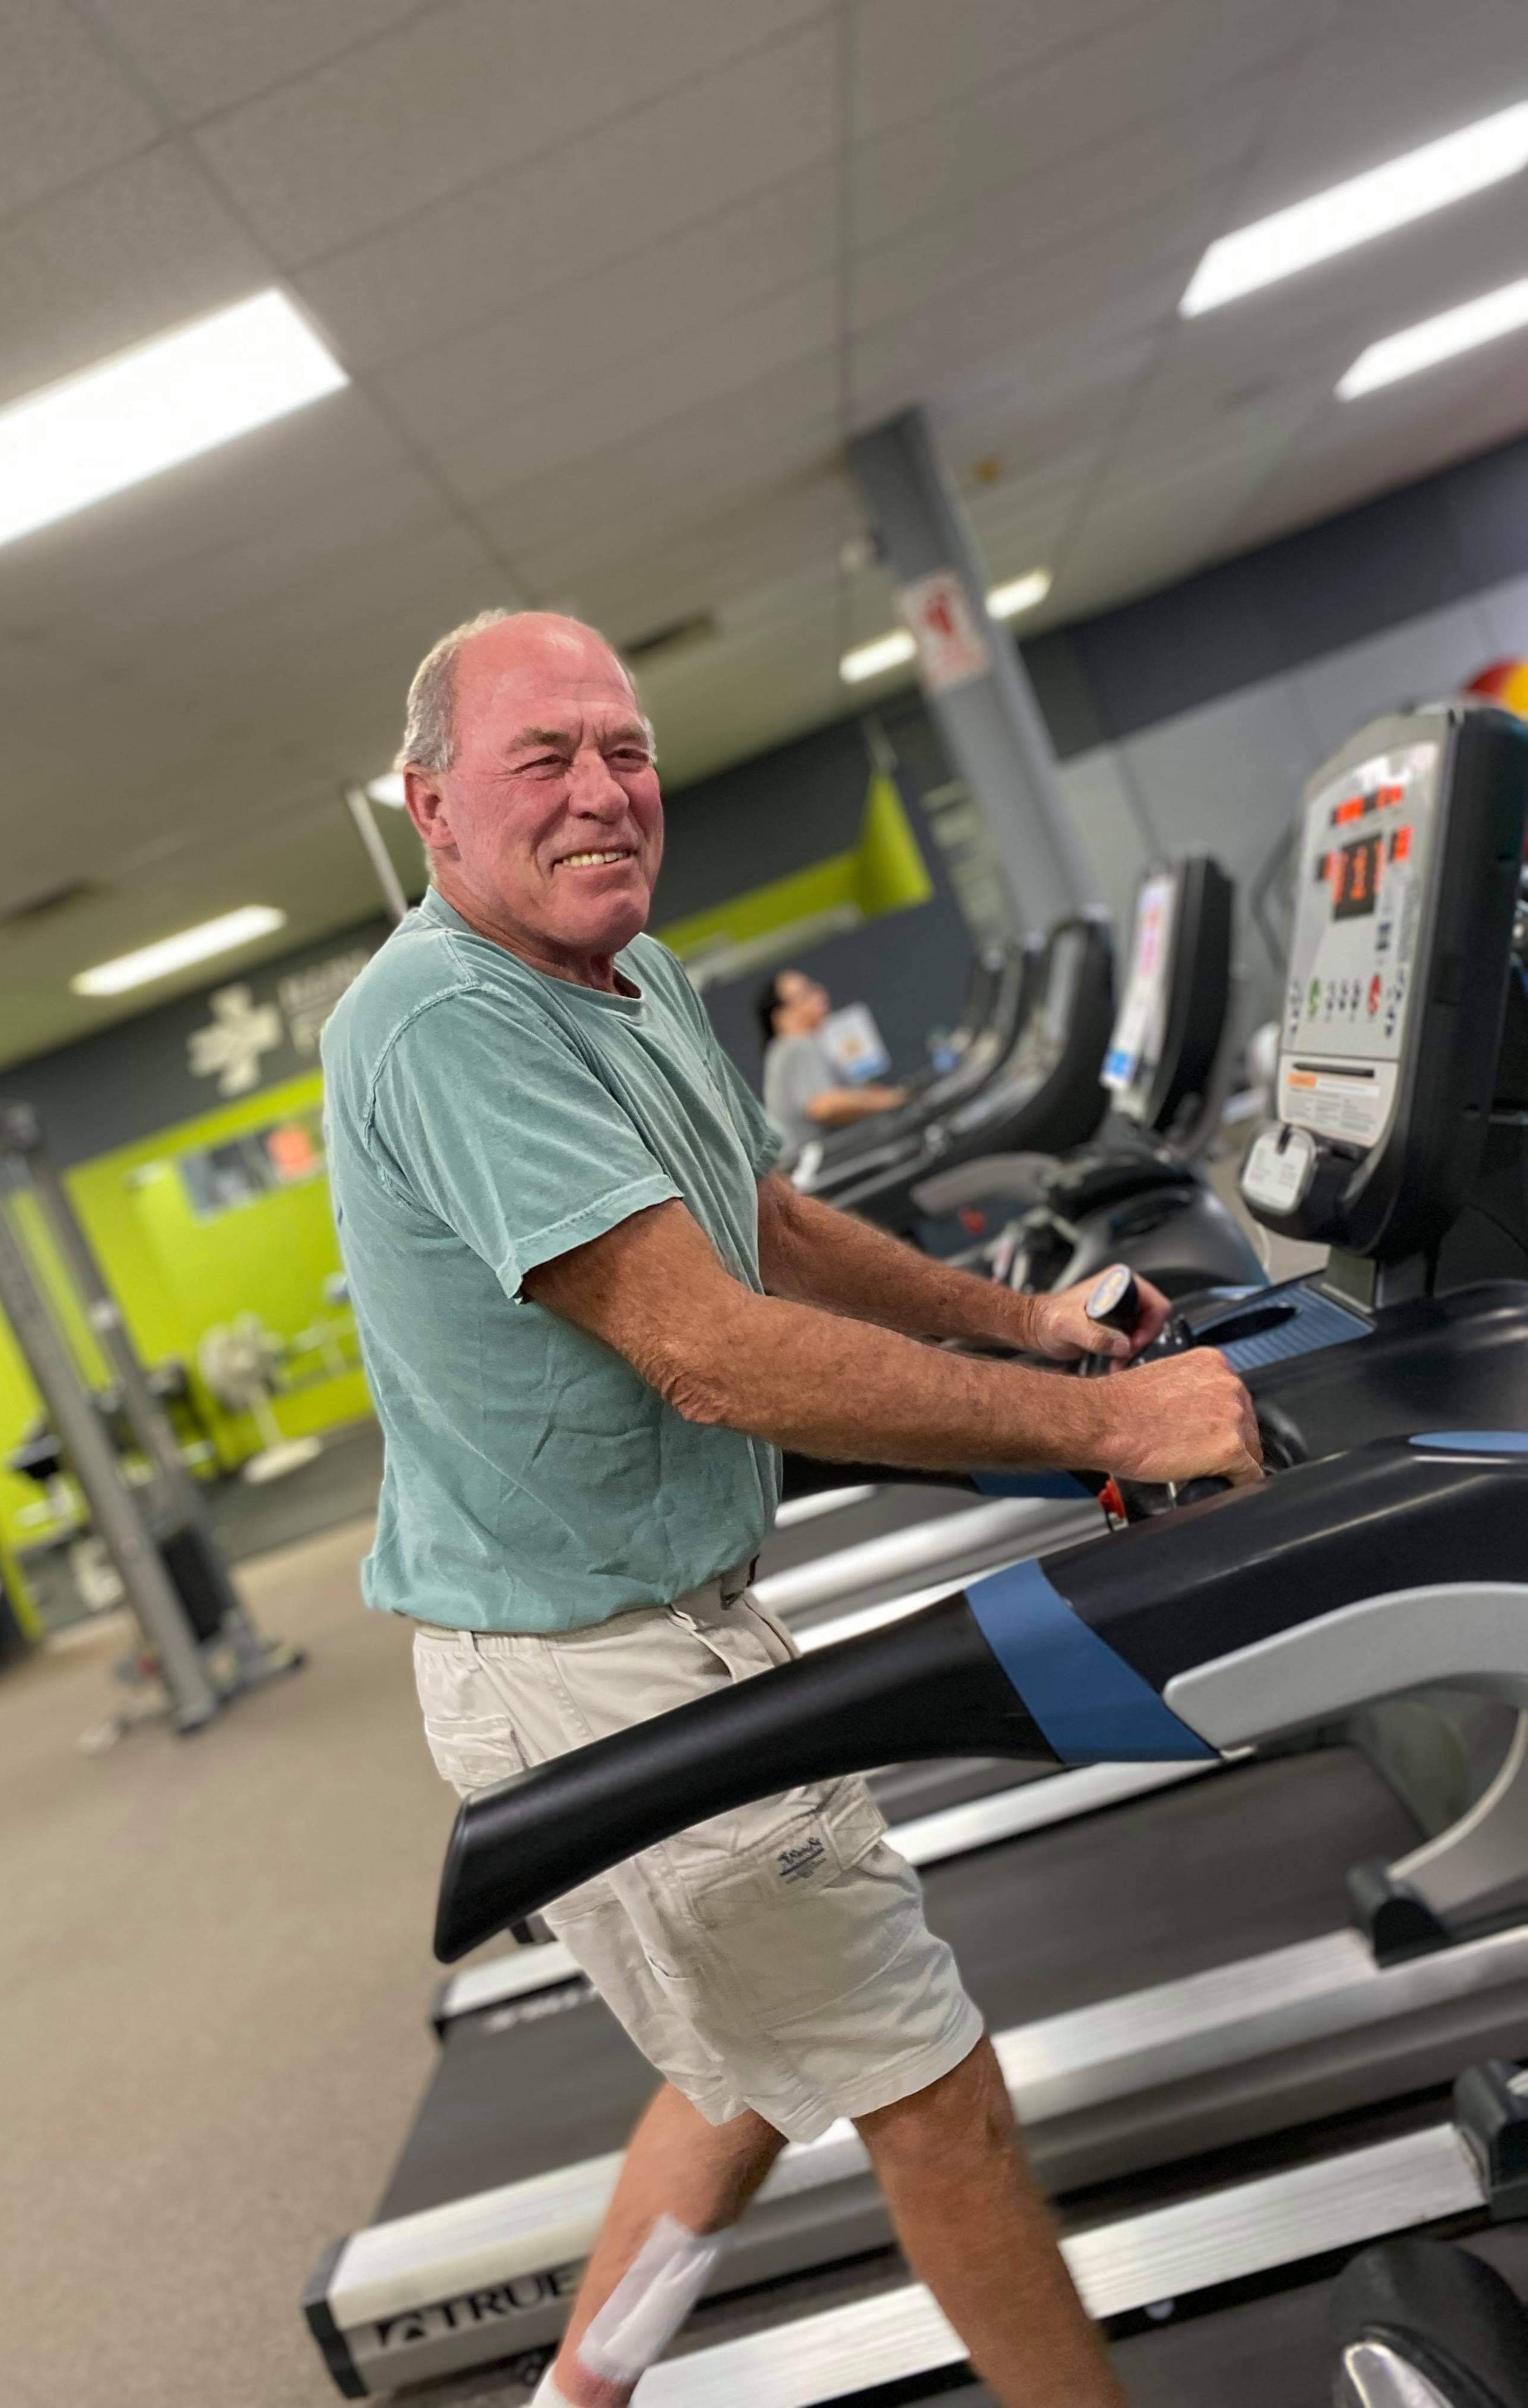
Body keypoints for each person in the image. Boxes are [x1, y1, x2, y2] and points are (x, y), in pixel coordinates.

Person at [323, 609, 1260, 2408]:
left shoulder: (640, 974)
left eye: (626, 750)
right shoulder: (444, 1017)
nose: (604, 791)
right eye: (545, 758)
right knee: (936, 2096)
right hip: (584, 1664)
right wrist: (1116, 1425)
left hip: (656, 1615)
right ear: (432, 806)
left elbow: (767, 1225)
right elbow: (712, 1353)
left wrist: (1036, 1330)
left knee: (745, 2064)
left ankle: (579, 2398)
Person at [759, 965, 907, 1145]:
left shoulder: (796, 1048)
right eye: (805, 993)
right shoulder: (795, 1046)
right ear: (780, 1017)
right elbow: (823, 1106)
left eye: (814, 988)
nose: (819, 994)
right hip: (816, 1159)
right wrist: (891, 1100)